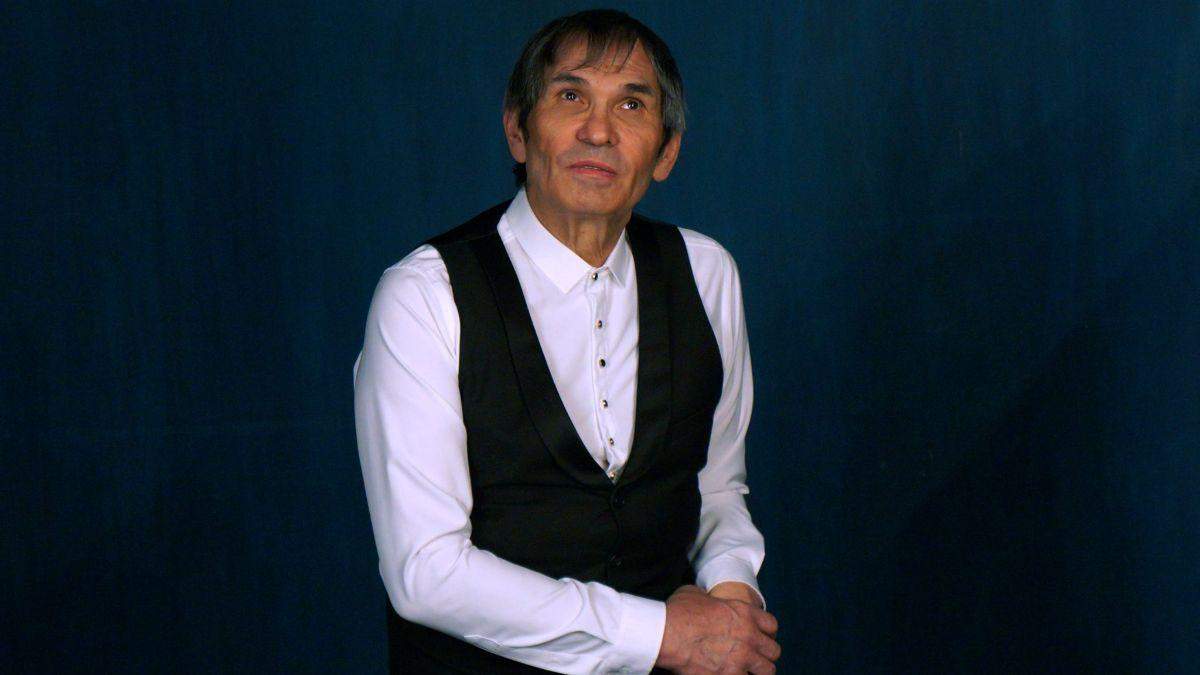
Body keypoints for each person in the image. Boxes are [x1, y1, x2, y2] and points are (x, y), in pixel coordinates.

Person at [353, 9, 779, 674]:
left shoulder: (706, 273)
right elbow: (426, 572)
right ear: (518, 130)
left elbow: (715, 488)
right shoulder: (424, 295)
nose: (599, 131)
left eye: (631, 104)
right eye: (571, 95)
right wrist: (662, 633)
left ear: (666, 151)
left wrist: (731, 594)